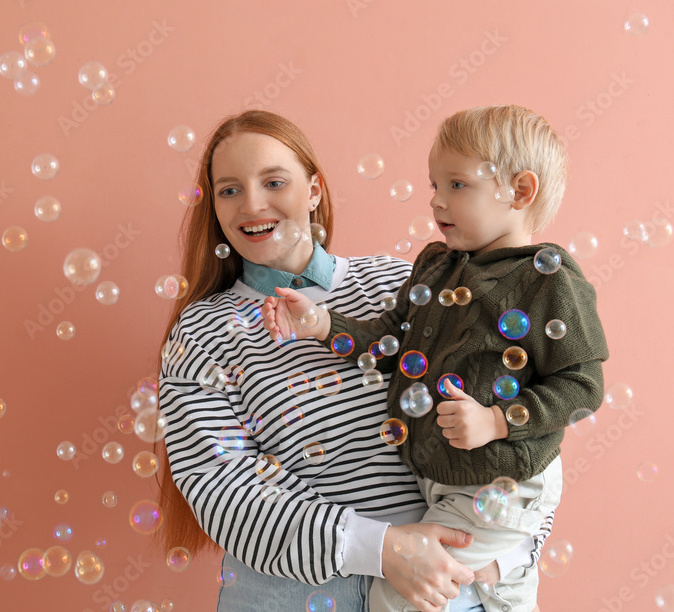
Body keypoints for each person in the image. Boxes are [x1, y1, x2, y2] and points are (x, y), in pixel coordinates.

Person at [156, 110, 547, 612]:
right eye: (229, 190)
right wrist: (384, 550)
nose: (252, 204)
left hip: (448, 584)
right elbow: (221, 486)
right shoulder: (201, 332)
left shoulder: (399, 285)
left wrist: (505, 558)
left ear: (314, 190)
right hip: (288, 597)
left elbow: (527, 431)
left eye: (274, 181)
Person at [262, 105, 607, 611]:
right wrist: (322, 324)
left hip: (501, 479)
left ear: (520, 191)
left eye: (456, 185)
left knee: (396, 598)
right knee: (507, 596)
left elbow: (583, 385)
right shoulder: (435, 267)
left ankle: (493, 565)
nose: (435, 199)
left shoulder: (547, 281)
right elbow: (387, 344)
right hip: (445, 476)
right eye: (434, 185)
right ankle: (499, 574)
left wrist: (497, 419)